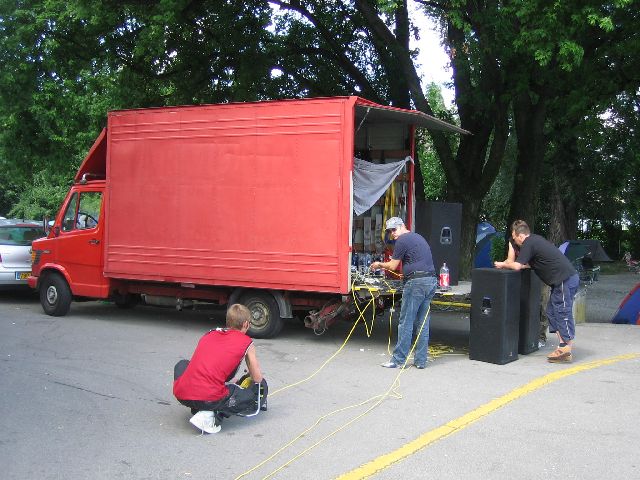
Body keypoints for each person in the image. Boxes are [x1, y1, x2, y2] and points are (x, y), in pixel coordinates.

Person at [173, 304, 267, 433]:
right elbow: (257, 378)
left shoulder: (210, 334)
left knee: (183, 364)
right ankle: (210, 415)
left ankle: (201, 406)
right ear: (246, 324)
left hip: (182, 394)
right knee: (251, 395)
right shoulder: (246, 342)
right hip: (209, 397)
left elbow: (209, 366)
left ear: (228, 321)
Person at [494, 220, 579, 363]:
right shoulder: (535, 241)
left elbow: (517, 266)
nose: (514, 241)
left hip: (564, 279)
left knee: (562, 311)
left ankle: (566, 348)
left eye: (514, 238)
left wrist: (502, 264)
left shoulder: (529, 243)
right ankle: (563, 346)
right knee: (552, 312)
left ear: (520, 236)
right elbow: (527, 264)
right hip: (561, 281)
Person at [370, 217, 437, 369]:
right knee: (422, 322)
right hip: (431, 281)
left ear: (402, 227)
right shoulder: (418, 237)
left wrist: (379, 264)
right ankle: (420, 361)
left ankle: (398, 360)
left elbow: (393, 266)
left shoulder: (402, 240)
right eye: (390, 231)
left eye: (394, 229)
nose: (392, 233)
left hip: (416, 283)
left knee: (406, 321)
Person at [501, 219, 549, 348]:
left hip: (539, 275)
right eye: (512, 234)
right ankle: (521, 336)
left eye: (515, 235)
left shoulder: (532, 242)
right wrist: (505, 264)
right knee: (522, 304)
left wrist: (508, 264)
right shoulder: (512, 241)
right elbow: (510, 260)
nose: (513, 238)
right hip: (522, 274)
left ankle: (541, 337)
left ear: (520, 234)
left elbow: (525, 264)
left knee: (542, 306)